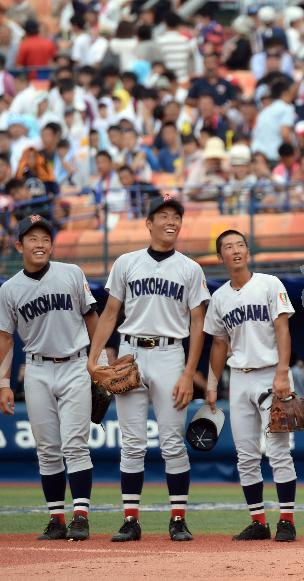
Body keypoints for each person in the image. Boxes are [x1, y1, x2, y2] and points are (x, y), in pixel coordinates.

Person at [87, 193, 210, 543]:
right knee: (132, 443)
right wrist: (93, 358)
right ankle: (130, 519)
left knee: (172, 442)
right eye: (164, 215)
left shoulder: (190, 268)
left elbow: (198, 323)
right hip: (130, 353)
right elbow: (110, 313)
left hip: (171, 354)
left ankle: (178, 518)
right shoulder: (127, 262)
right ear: (149, 222)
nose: (171, 221)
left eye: (176, 216)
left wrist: (189, 373)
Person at [0, 215, 97, 541]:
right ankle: (56, 518)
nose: (40, 244)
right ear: (19, 245)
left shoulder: (71, 273)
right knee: (47, 449)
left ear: (51, 244)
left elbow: (91, 317)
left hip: (76, 365)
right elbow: (6, 341)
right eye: (32, 239)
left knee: (75, 445)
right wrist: (3, 384)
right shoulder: (9, 289)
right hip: (38, 368)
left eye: (45, 238)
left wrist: (100, 362)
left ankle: (80, 515)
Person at [204, 229, 298, 543]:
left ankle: (287, 519)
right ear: (220, 257)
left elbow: (283, 329)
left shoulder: (269, 284)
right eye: (228, 247)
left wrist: (283, 371)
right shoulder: (219, 297)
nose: (235, 251)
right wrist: (213, 384)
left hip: (272, 372)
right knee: (245, 455)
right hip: (239, 377)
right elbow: (219, 344)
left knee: (279, 451)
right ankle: (258, 521)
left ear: (248, 251)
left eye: (240, 245)